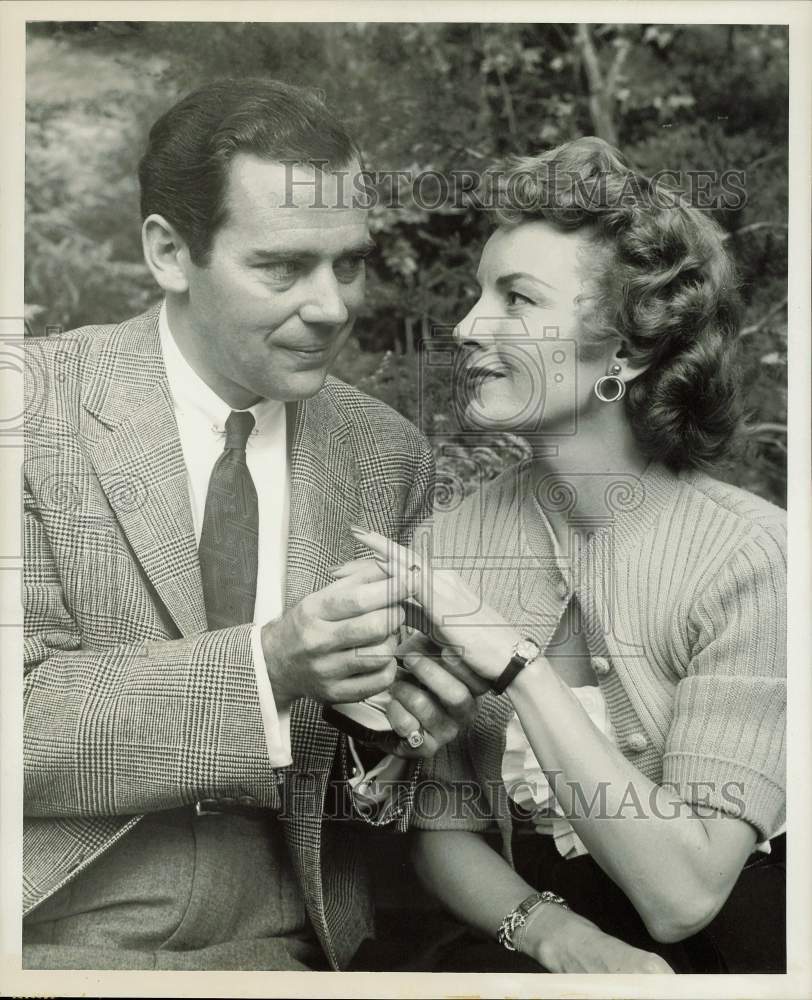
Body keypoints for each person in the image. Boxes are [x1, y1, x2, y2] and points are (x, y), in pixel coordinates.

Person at [22, 77, 481, 971]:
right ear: (168, 253)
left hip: (287, 951)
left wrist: (394, 734)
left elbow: (401, 802)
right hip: (42, 935)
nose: (334, 306)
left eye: (348, 262)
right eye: (283, 267)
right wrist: (268, 667)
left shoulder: (384, 454)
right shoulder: (30, 409)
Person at [349, 137, 787, 973]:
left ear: (627, 349)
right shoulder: (453, 541)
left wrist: (516, 665)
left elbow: (684, 895)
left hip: (739, 947)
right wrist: (558, 937)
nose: (466, 325)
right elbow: (441, 832)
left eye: (516, 299)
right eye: (480, 292)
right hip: (536, 934)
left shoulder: (755, 559)